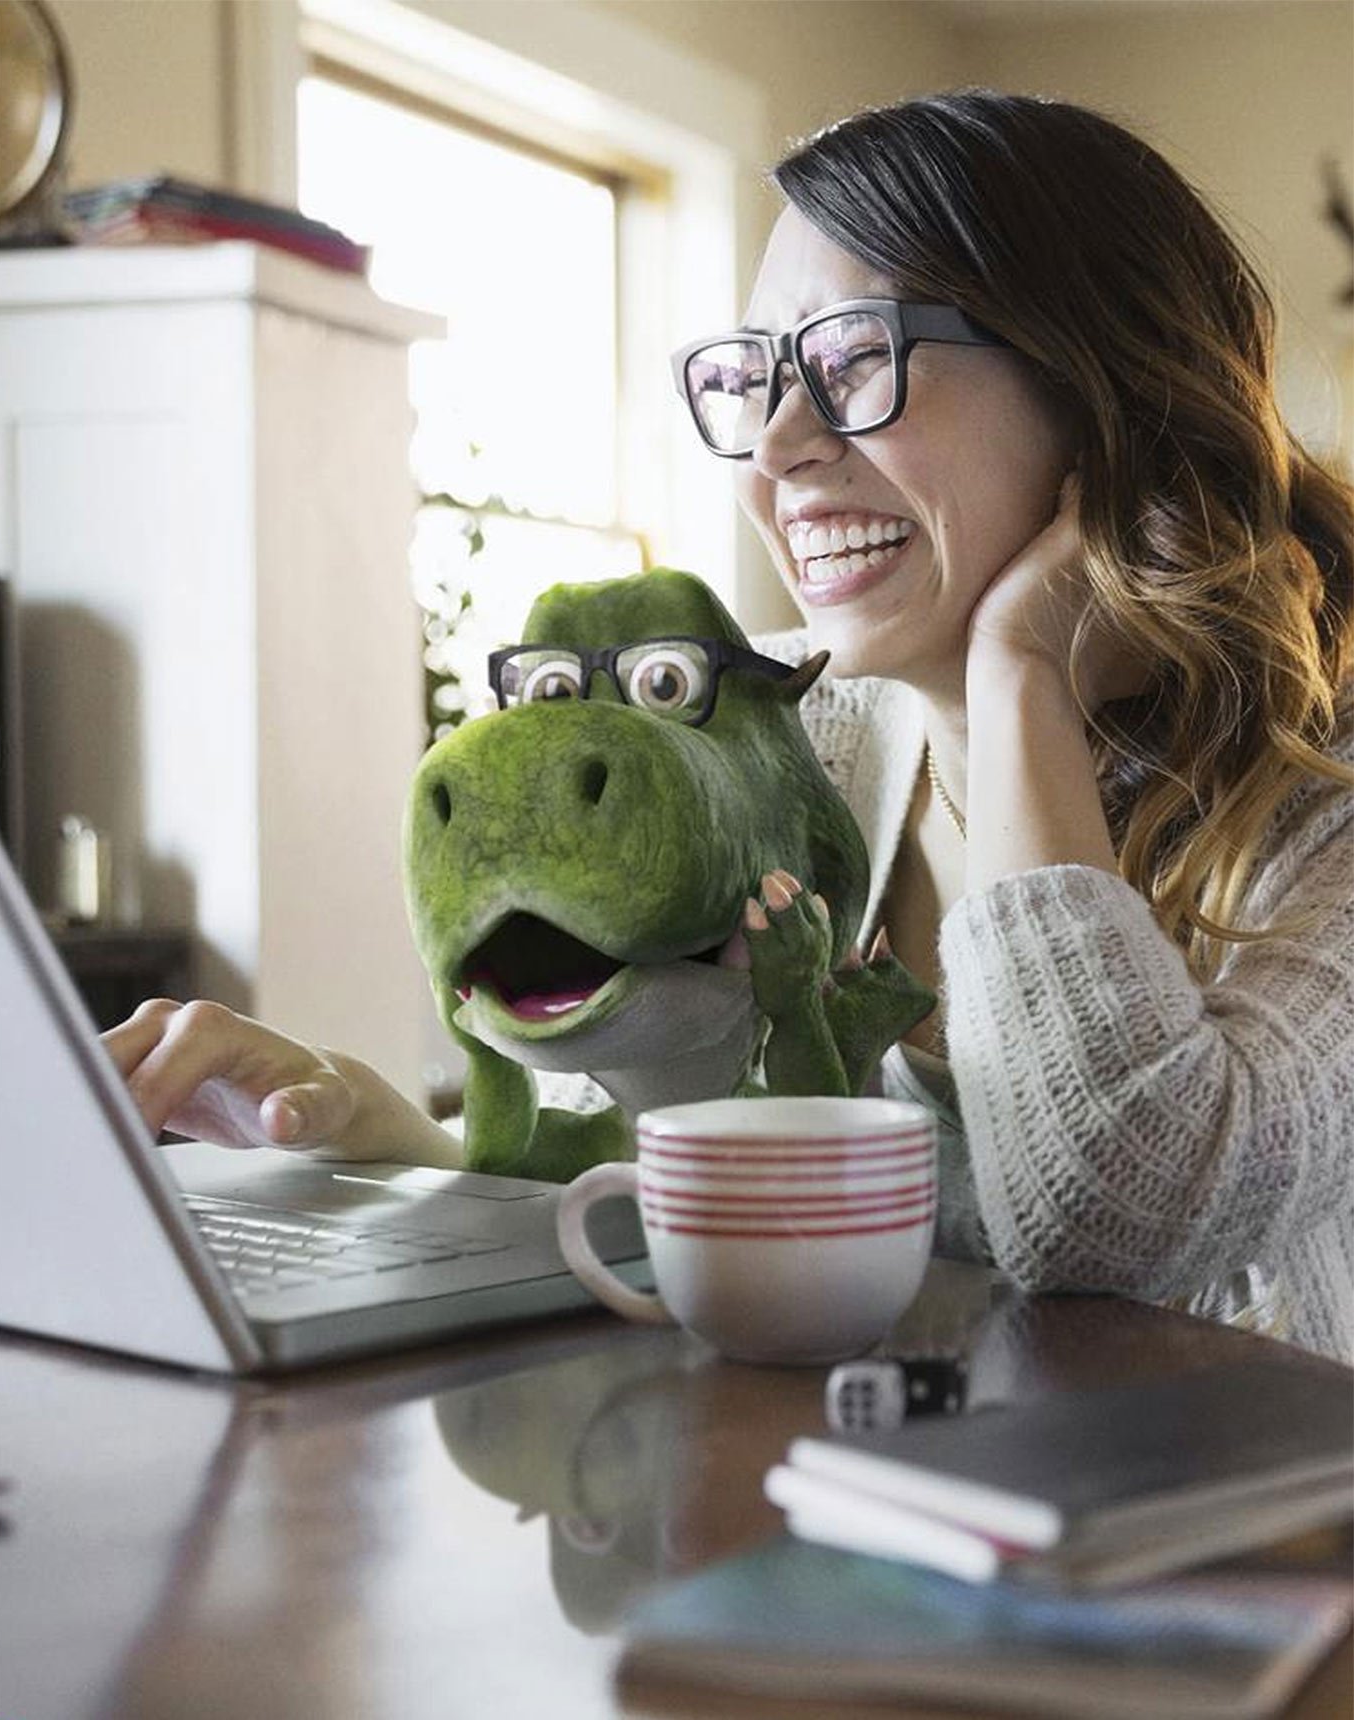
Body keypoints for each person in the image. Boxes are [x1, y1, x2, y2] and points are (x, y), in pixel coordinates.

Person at [105, 90, 1353, 1362]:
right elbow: (670, 1181)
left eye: (856, 359)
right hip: (885, 1513)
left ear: (1105, 386)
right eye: (754, 375)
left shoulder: (1327, 799)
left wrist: (1020, 668)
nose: (776, 447)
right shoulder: (805, 740)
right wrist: (376, 1135)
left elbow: (1105, 1213)